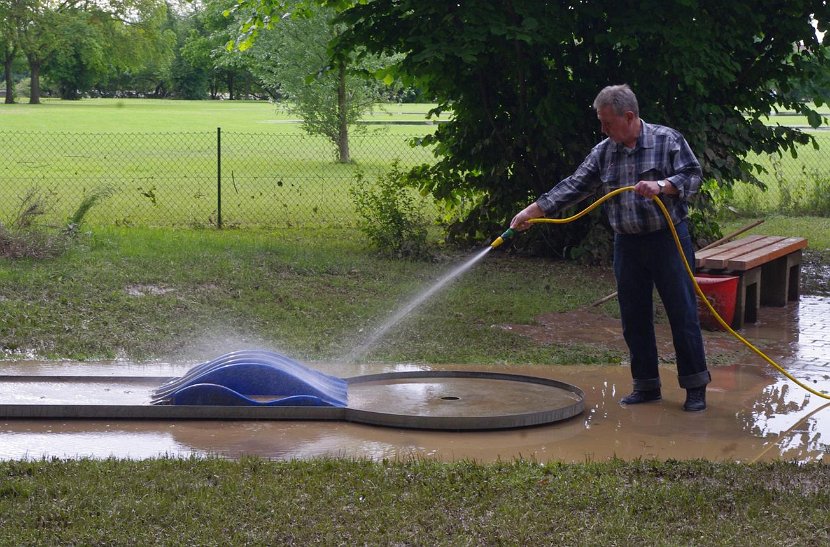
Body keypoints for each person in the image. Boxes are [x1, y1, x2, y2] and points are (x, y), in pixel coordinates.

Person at [509, 84, 710, 411]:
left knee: (682, 313)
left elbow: (692, 176)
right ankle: (646, 386)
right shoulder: (604, 151)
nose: (603, 129)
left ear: (629, 116)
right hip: (627, 244)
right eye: (601, 123)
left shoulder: (667, 140)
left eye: (607, 123)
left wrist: (662, 186)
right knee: (633, 317)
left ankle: (695, 387)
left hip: (668, 239)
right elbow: (575, 186)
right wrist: (533, 210)